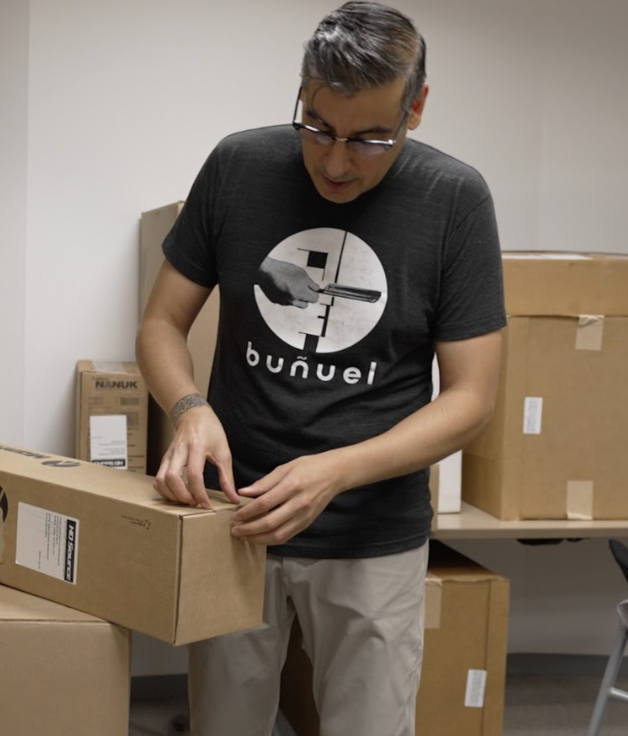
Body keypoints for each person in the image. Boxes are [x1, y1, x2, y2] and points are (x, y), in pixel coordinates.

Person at [134, 3, 506, 735]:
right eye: (317, 127)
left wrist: (336, 470)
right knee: (223, 724)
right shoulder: (238, 165)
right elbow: (159, 324)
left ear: (416, 107)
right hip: (232, 516)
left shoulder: (453, 200)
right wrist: (187, 409)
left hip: (370, 533)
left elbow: (471, 399)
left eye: (369, 138)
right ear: (301, 91)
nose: (335, 162)